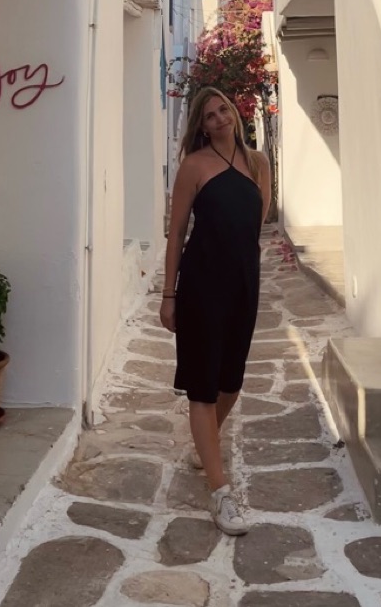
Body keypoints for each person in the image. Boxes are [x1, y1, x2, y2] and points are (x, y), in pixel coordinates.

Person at [159, 87, 271, 535]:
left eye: (224, 109)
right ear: (201, 127)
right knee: (202, 388)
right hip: (201, 285)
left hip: (243, 283)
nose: (220, 118)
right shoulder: (194, 166)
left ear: (234, 112)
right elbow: (176, 234)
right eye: (209, 115)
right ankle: (220, 492)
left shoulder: (259, 164)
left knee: (231, 382)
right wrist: (169, 294)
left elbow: (254, 226)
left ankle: (204, 445)